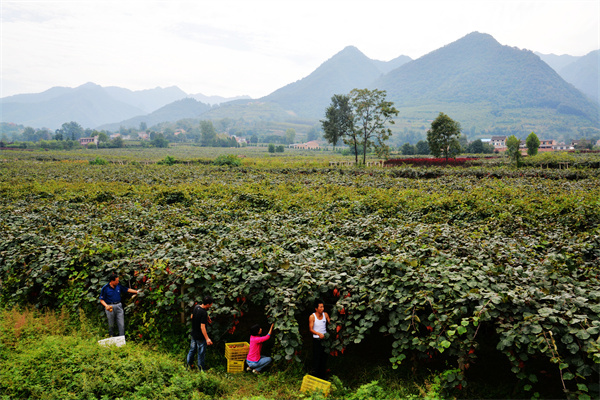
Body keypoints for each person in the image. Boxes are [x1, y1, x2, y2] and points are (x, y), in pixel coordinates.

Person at [99, 273, 140, 337]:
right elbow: (101, 300)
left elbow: (127, 289)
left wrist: (137, 292)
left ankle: (122, 339)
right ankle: (111, 337)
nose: (118, 282)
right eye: (117, 281)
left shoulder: (118, 286)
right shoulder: (105, 288)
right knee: (111, 324)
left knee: (121, 324)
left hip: (119, 306)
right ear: (112, 281)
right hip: (110, 307)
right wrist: (106, 305)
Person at [187, 295, 214, 371]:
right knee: (201, 354)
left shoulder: (196, 307)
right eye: (211, 304)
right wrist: (207, 339)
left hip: (193, 334)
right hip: (200, 337)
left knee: (192, 350)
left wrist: (206, 317)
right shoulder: (204, 313)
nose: (211, 305)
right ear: (208, 304)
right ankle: (201, 370)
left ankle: (189, 365)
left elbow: (192, 317)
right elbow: (202, 327)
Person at [309, 299, 330, 379]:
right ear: (316, 308)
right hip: (317, 340)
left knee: (324, 358)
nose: (322, 308)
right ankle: (315, 376)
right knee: (317, 358)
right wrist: (318, 334)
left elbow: (330, 324)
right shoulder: (312, 317)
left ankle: (323, 376)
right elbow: (311, 329)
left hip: (325, 340)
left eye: (323, 307)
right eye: (320, 307)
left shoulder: (326, 315)